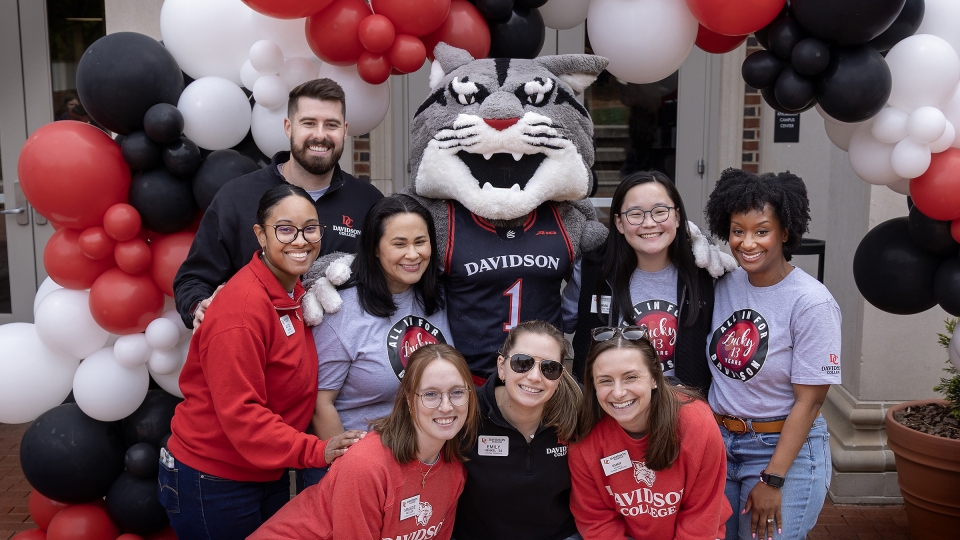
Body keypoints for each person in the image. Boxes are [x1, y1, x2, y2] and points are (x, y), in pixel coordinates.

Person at [158, 185, 366, 539]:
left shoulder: (289, 291)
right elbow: (243, 415)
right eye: (285, 229)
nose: (300, 241)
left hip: (263, 470)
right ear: (261, 235)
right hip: (215, 479)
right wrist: (319, 449)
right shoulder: (241, 312)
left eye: (310, 228)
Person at [173, 78, 383, 330]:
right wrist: (198, 306)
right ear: (287, 127)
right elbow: (193, 278)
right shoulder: (237, 196)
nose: (320, 135)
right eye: (308, 123)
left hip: (345, 359)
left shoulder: (368, 201)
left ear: (345, 130)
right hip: (261, 355)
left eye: (331, 125)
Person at [704, 168, 841, 540]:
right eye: (737, 230)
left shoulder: (811, 303)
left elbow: (810, 403)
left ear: (784, 232)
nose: (747, 243)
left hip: (780, 450)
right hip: (720, 444)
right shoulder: (723, 284)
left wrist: (773, 479)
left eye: (761, 231)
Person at [250, 344, 479, 540]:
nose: (447, 406)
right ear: (409, 400)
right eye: (431, 394)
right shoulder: (366, 466)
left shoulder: (454, 471)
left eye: (457, 392)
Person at [306, 195, 453, 487]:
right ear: (374, 248)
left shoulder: (438, 297)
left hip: (424, 461)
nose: (412, 254)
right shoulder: (341, 309)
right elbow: (320, 403)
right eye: (399, 244)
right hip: (360, 467)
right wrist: (351, 470)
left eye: (420, 242)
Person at [572, 171, 732, 393]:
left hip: (684, 413)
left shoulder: (706, 274)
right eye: (635, 214)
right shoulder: (592, 272)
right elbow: (556, 325)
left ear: (677, 217)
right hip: (609, 412)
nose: (649, 223)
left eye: (660, 212)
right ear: (619, 222)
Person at [569, 327, 730, 539]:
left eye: (630, 377)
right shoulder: (585, 435)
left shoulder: (696, 423)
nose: (618, 393)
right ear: (594, 385)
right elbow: (596, 521)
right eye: (605, 380)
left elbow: (701, 517)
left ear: (655, 378)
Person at [454, 320, 582, 540]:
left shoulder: (578, 410)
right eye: (523, 363)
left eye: (549, 368)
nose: (534, 376)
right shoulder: (466, 412)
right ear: (501, 366)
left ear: (560, 376)